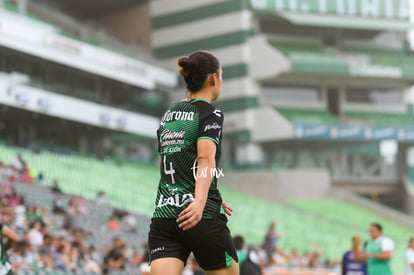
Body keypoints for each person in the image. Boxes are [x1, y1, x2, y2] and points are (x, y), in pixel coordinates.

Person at [148, 50, 238, 275]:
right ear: (213, 78)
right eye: (222, 76)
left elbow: (168, 160)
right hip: (201, 216)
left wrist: (208, 190)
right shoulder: (210, 113)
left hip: (165, 216)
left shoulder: (170, 113)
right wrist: (200, 200)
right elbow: (205, 158)